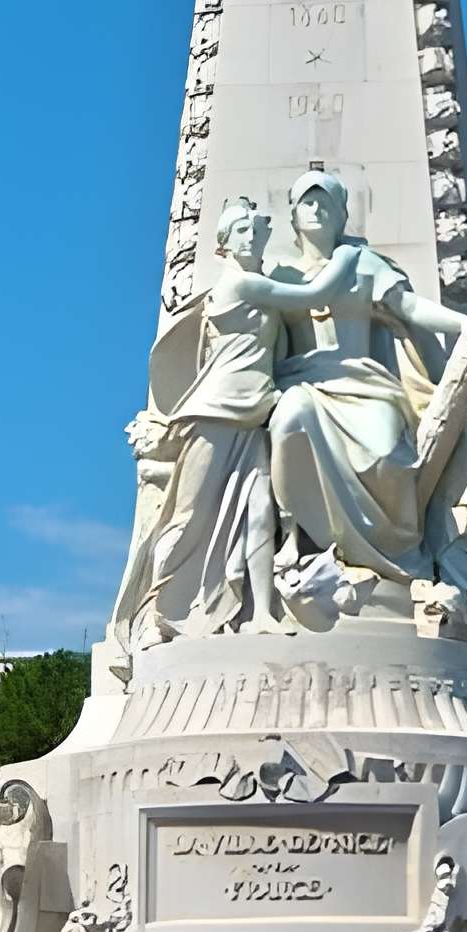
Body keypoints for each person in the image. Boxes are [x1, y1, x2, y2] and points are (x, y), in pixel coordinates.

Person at [109, 197, 358, 647]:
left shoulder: (260, 290)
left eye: (254, 230)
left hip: (254, 417)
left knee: (260, 513)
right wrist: (344, 255)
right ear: (223, 244)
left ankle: (260, 612)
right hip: (214, 415)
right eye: (239, 232)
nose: (249, 238)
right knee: (188, 517)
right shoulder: (241, 285)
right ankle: (154, 615)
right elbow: (314, 296)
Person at [268, 171, 467, 606]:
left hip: (365, 385)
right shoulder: (281, 276)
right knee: (290, 417)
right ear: (293, 216)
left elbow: (407, 307)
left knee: (388, 451)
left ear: (342, 214)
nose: (316, 209)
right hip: (303, 382)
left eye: (326, 202)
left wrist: (462, 323)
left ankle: (390, 550)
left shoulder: (364, 263)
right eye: (307, 202)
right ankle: (296, 539)